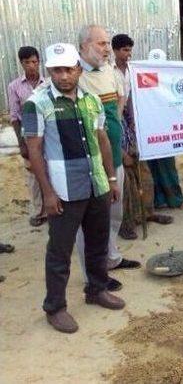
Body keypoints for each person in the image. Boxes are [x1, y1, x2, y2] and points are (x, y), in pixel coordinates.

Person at [23, 43, 125, 333]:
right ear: (49, 71)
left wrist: (111, 179)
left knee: (97, 242)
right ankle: (54, 307)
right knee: (60, 251)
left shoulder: (91, 99)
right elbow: (34, 151)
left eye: (69, 69)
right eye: (57, 70)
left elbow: (102, 139)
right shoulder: (37, 103)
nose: (64, 76)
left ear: (78, 69)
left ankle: (97, 289)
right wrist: (48, 194)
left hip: (97, 184)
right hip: (64, 191)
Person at [76, 25, 141, 281]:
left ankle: (111, 258)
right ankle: (93, 274)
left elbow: (118, 107)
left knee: (114, 213)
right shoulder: (75, 76)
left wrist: (120, 145)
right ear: (84, 46)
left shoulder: (110, 72)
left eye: (106, 43)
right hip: (90, 163)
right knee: (90, 221)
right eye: (101, 44)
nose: (106, 48)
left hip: (113, 155)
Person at [115, 36, 173, 240]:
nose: (127, 54)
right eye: (123, 50)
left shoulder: (132, 70)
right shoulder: (107, 74)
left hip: (132, 125)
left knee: (144, 175)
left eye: (129, 50)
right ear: (114, 51)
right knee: (126, 182)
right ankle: (126, 223)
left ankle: (147, 213)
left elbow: (134, 98)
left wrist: (135, 122)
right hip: (114, 125)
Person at [144, 49, 183, 210]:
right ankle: (158, 200)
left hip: (165, 130)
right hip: (147, 129)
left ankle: (176, 199)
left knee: (168, 167)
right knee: (151, 168)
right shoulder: (140, 79)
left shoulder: (170, 81)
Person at [8, 46, 47, 227]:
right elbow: (15, 117)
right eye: (28, 62)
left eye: (35, 62)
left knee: (50, 170)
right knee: (33, 174)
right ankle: (38, 212)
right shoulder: (14, 86)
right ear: (21, 64)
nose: (32, 66)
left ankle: (52, 207)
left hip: (48, 133)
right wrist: (22, 145)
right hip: (29, 136)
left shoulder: (47, 84)